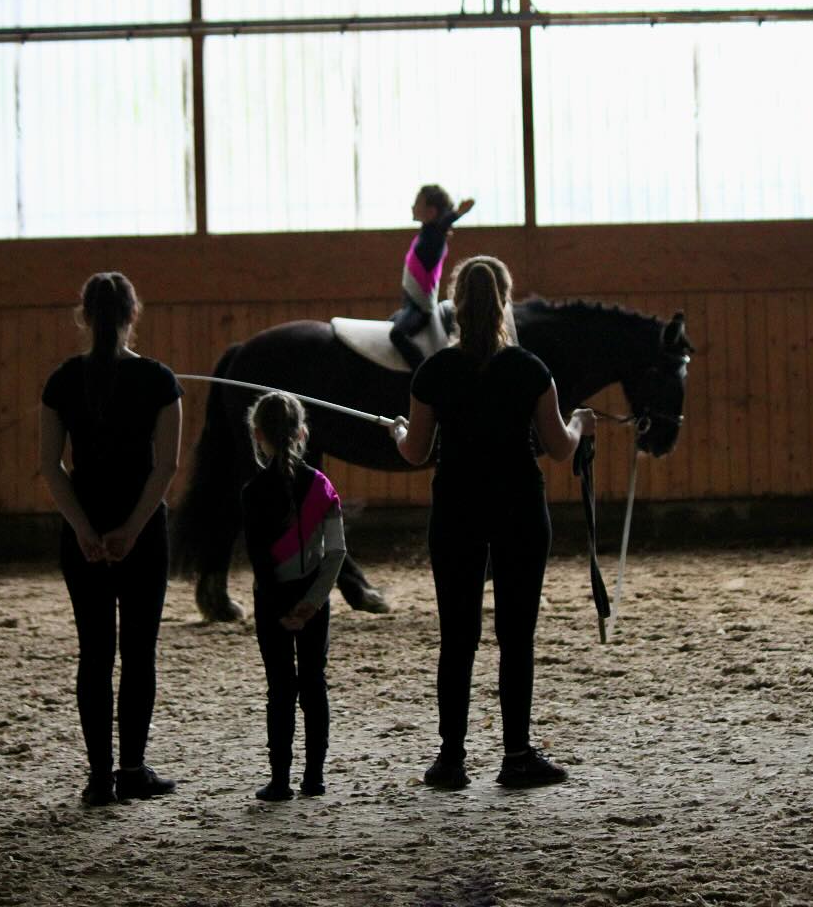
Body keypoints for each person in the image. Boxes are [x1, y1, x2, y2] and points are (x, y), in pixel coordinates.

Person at [390, 255, 595, 790]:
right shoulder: (529, 369)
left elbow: (415, 451)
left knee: (457, 638)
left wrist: (397, 432)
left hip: (456, 509)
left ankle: (451, 759)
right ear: (504, 302)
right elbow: (558, 447)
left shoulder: (435, 371)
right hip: (519, 507)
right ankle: (517, 755)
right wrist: (578, 424)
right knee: (516, 636)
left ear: (455, 305)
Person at [39, 271, 183, 807]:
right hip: (142, 533)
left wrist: (83, 528)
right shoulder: (159, 381)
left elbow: (51, 466)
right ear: (132, 315)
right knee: (139, 652)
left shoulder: (61, 381)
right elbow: (166, 466)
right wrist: (132, 529)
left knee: (94, 653)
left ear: (84, 315)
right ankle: (132, 769)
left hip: (84, 530)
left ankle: (100, 778)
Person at [241, 392, 347, 801]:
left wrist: (281, 608)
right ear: (302, 433)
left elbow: (259, 560)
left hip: (272, 603)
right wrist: (311, 603)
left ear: (258, 434)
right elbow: (336, 552)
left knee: (280, 689)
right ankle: (314, 778)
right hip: (313, 601)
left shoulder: (252, 491)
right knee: (314, 684)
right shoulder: (322, 487)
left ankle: (280, 780)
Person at [389, 185, 475, 370]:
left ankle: (425, 372)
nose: (412, 207)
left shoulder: (434, 237)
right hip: (409, 307)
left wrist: (457, 214)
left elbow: (441, 226)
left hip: (421, 309)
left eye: (417, 203)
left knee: (397, 335)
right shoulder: (425, 234)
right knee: (388, 324)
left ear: (431, 211)